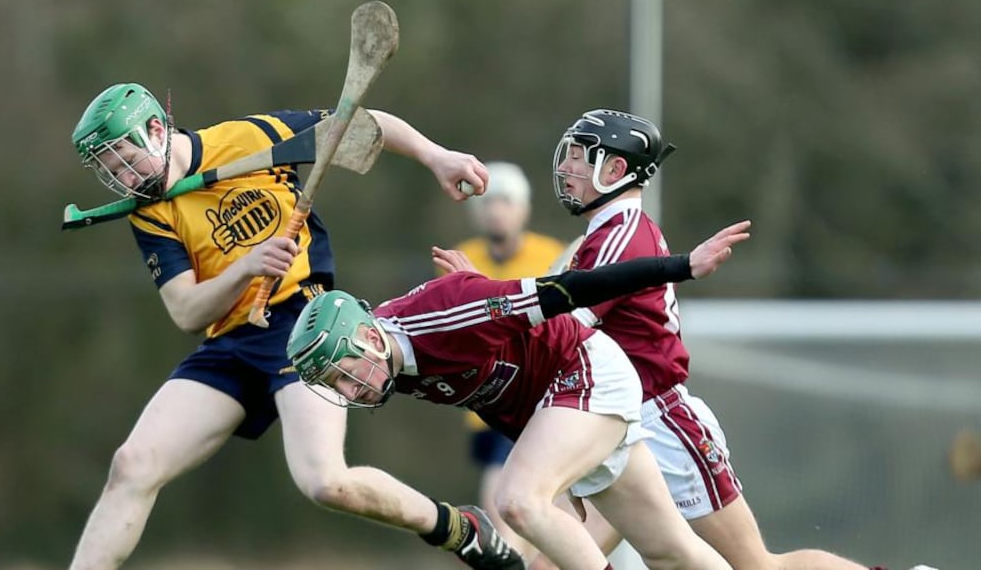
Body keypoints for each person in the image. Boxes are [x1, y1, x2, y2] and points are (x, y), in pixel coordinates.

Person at [66, 82, 525, 570]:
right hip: (230, 342)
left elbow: (361, 124)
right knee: (131, 466)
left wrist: (437, 158)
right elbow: (186, 311)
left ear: (156, 129)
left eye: (125, 161)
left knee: (326, 482)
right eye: (112, 173)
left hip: (306, 331)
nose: (125, 179)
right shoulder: (150, 211)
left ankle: (457, 528)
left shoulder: (252, 138)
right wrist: (245, 267)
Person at [549, 109, 924, 570]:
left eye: (581, 158)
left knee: (757, 567)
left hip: (658, 425)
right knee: (561, 558)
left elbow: (559, 329)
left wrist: (481, 306)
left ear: (616, 170)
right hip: (608, 421)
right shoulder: (603, 234)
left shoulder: (620, 236)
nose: (567, 168)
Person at [285, 219, 753, 570]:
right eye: (335, 385)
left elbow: (569, 289)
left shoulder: (445, 315)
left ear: (367, 337)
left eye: (345, 373)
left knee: (517, 500)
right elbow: (486, 374)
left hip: (587, 371)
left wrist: (683, 267)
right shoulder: (390, 363)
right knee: (670, 550)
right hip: (558, 404)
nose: (349, 390)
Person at [450, 161, 565, 560]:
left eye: (505, 201)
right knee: (514, 508)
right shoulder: (461, 259)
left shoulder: (551, 255)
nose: (496, 210)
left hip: (539, 398)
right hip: (487, 403)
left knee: (508, 503)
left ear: (523, 209)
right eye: (489, 202)